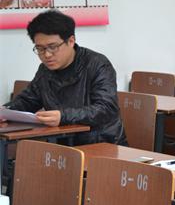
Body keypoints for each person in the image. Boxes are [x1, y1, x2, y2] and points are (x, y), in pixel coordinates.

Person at [3, 9, 126, 145]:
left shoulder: (98, 64)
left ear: (71, 41)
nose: (47, 55)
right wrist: (5, 111)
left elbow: (106, 108)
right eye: (40, 49)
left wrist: (63, 116)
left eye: (53, 47)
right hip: (63, 143)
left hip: (102, 143)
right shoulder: (45, 70)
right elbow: (28, 100)